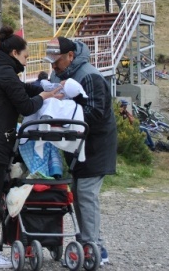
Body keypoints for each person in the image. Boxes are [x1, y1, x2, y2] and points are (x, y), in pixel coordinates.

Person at [0, 26, 60, 268]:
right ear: (14, 52)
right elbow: (26, 106)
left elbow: (21, 89)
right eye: (25, 57)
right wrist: (46, 97)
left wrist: (42, 87)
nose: (26, 63)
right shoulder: (5, 72)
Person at [44, 36, 117, 265]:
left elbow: (95, 113)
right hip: (77, 145)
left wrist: (63, 120)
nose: (53, 66)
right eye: (51, 61)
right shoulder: (60, 75)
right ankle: (92, 244)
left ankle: (92, 247)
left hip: (96, 145)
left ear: (70, 56)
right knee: (78, 191)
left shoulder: (90, 76)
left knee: (86, 192)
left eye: (57, 61)